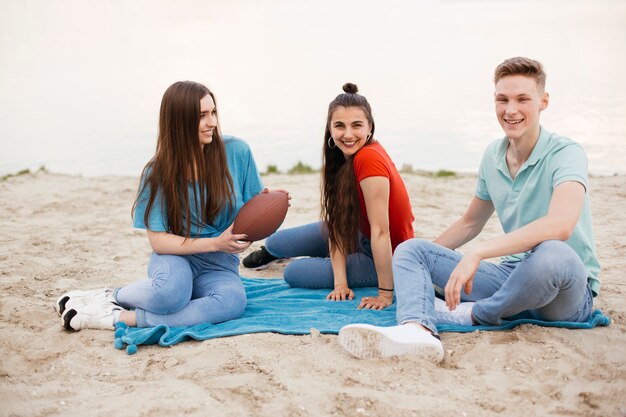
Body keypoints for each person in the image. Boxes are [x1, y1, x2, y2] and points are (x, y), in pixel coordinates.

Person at [338, 57, 600, 361]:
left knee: (554, 252)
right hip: (511, 278)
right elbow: (469, 222)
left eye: (522, 99)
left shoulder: (567, 153)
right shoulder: (493, 155)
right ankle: (417, 329)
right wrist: (422, 262)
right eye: (502, 100)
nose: (510, 110)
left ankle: (472, 314)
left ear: (543, 101)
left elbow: (561, 224)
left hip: (565, 288)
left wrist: (478, 253)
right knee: (410, 250)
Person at [56, 80, 267, 330]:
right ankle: (113, 296)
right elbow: (158, 241)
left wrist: (271, 206)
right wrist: (215, 242)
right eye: (202, 116)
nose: (212, 122)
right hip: (175, 257)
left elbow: (255, 213)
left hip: (220, 265)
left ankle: (116, 317)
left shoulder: (237, 151)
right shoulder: (157, 172)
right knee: (170, 296)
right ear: (179, 122)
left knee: (232, 302)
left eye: (213, 112)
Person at [243, 83, 414, 310]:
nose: (348, 134)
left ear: (370, 127)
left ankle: (336, 264)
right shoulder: (340, 157)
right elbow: (338, 223)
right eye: (340, 126)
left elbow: (382, 232)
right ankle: (313, 258)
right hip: (358, 233)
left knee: (294, 273)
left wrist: (384, 294)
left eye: (357, 125)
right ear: (330, 128)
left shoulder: (369, 158)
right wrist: (340, 282)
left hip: (385, 254)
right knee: (276, 242)